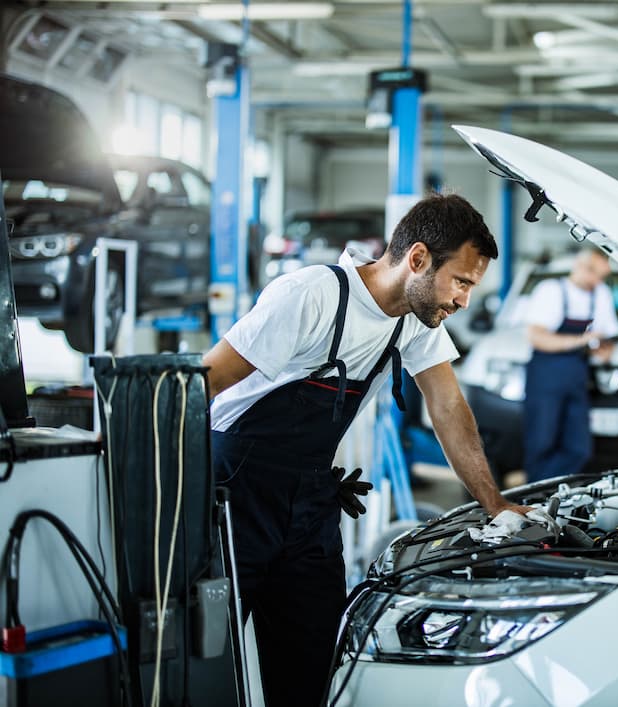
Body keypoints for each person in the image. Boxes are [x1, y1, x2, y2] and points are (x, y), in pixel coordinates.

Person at [202, 193, 529, 707]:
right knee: (208, 654)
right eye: (461, 282)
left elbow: (448, 407)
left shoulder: (417, 321)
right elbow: (207, 381)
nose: (464, 299)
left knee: (311, 658)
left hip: (310, 499)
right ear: (417, 259)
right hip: (233, 491)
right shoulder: (310, 295)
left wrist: (497, 505)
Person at [522, 247, 618, 484]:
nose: (595, 280)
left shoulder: (601, 294)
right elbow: (537, 337)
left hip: (577, 376)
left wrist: (605, 351)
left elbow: (609, 334)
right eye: (592, 272)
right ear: (578, 264)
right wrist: (581, 340)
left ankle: (554, 490)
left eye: (601, 275)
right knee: (542, 443)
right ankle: (537, 493)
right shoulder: (551, 291)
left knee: (579, 448)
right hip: (546, 376)